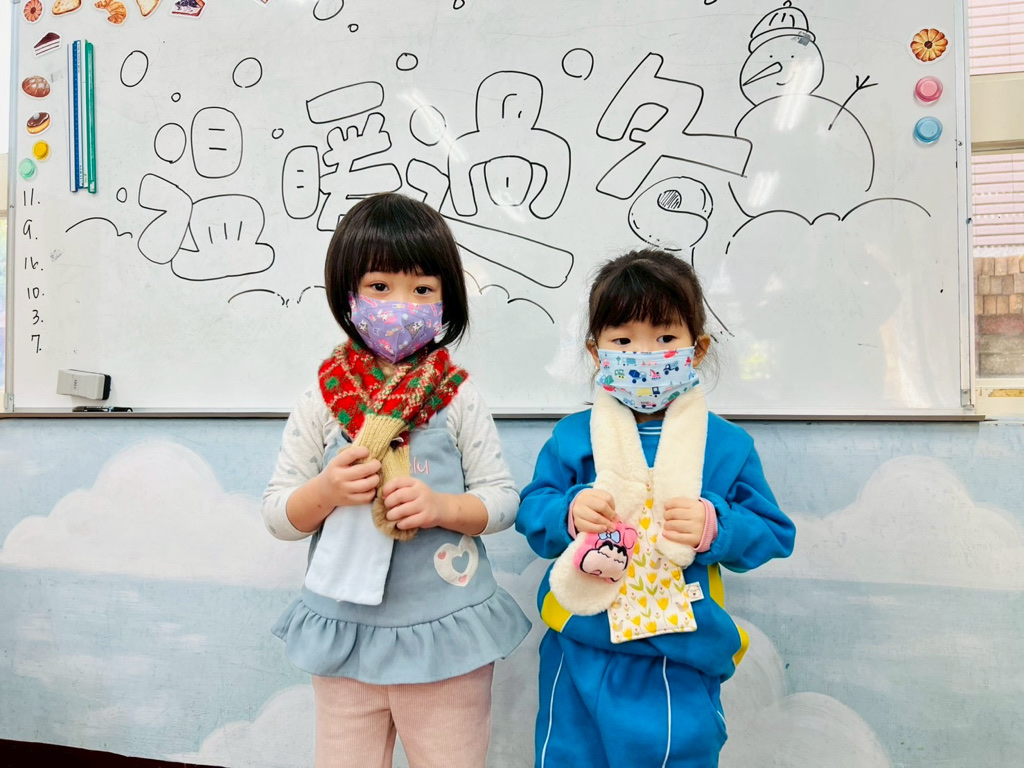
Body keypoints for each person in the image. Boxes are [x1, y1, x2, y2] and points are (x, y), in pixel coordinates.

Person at [263, 193, 530, 768]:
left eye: (422, 289)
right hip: (345, 635)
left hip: (446, 634)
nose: (401, 305)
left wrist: (441, 508)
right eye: (379, 287)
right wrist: (326, 492)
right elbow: (279, 516)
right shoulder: (321, 400)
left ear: (446, 298)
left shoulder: (458, 397)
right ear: (348, 295)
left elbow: (503, 501)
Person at [517, 248, 795, 768]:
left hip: (679, 655)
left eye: (665, 338)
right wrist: (569, 513)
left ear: (697, 347)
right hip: (580, 645)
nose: (644, 354)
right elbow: (534, 509)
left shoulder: (725, 445)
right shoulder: (574, 437)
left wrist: (716, 525)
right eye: (623, 341)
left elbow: (774, 532)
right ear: (597, 352)